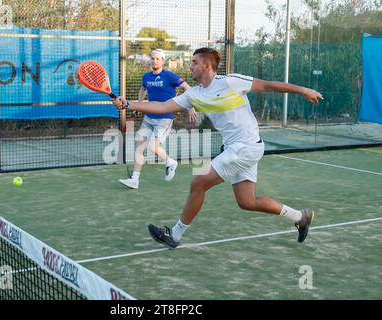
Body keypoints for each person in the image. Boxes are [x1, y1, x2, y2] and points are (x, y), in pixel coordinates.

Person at [111, 47, 323, 247]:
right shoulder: (194, 94)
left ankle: (174, 235)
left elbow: (268, 85)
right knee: (246, 201)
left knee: (198, 181)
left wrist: (303, 90)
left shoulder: (231, 81)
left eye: (194, 62)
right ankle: (300, 217)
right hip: (237, 148)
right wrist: (129, 104)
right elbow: (163, 106)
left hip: (245, 147)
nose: (190, 66)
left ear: (206, 65)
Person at [119, 49, 196, 190]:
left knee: (153, 146)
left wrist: (190, 106)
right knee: (140, 146)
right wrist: (139, 106)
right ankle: (134, 180)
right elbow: (143, 90)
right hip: (149, 117)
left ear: (162, 61)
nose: (154, 61)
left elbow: (187, 87)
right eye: (152, 58)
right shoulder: (146, 77)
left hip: (164, 118)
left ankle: (170, 162)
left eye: (157, 59)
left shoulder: (170, 76)